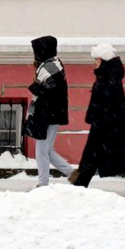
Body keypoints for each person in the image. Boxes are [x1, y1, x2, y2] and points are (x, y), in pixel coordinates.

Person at [71, 44, 125, 193]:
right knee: (96, 158)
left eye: (97, 59)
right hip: (109, 125)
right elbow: (120, 103)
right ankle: (78, 188)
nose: (95, 62)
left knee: (96, 158)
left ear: (103, 60)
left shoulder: (107, 79)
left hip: (107, 126)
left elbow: (117, 103)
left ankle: (78, 189)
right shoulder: (109, 76)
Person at [26, 35, 74, 187]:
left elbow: (46, 91)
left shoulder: (50, 67)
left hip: (47, 114)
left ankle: (43, 184)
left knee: (41, 151)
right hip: (50, 113)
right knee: (47, 150)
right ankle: (75, 176)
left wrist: (34, 87)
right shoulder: (53, 64)